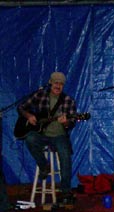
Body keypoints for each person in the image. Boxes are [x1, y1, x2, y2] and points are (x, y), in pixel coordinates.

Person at [17, 72, 77, 204]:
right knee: (30, 138)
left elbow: (71, 124)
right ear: (50, 83)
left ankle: (66, 191)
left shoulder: (68, 101)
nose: (58, 86)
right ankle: (44, 166)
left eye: (61, 84)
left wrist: (66, 122)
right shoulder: (40, 95)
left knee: (65, 154)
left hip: (59, 136)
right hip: (41, 135)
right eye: (56, 83)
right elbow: (21, 107)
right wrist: (28, 116)